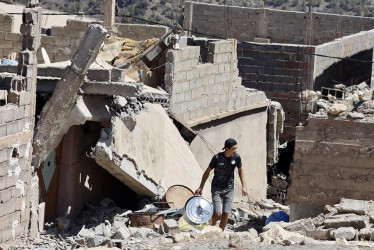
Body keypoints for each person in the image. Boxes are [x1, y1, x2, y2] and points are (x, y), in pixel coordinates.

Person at [195, 138, 247, 231]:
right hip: (217, 188)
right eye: (233, 149)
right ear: (227, 149)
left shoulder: (237, 157)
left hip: (229, 188)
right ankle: (211, 228)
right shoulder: (217, 158)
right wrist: (201, 187)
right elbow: (207, 172)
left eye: (236, 148)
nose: (235, 151)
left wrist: (244, 186)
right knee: (218, 213)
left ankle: (220, 232)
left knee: (226, 213)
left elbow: (240, 170)